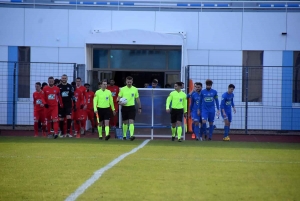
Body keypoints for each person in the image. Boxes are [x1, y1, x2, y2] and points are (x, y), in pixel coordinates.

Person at [117, 76, 142, 141]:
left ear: (132, 82)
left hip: (132, 107)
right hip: (124, 107)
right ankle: (124, 136)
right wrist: (119, 102)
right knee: (125, 122)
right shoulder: (122, 89)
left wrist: (140, 107)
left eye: (130, 82)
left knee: (131, 121)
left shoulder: (135, 89)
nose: (129, 83)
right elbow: (118, 98)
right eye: (128, 82)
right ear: (126, 82)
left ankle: (131, 135)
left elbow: (137, 99)